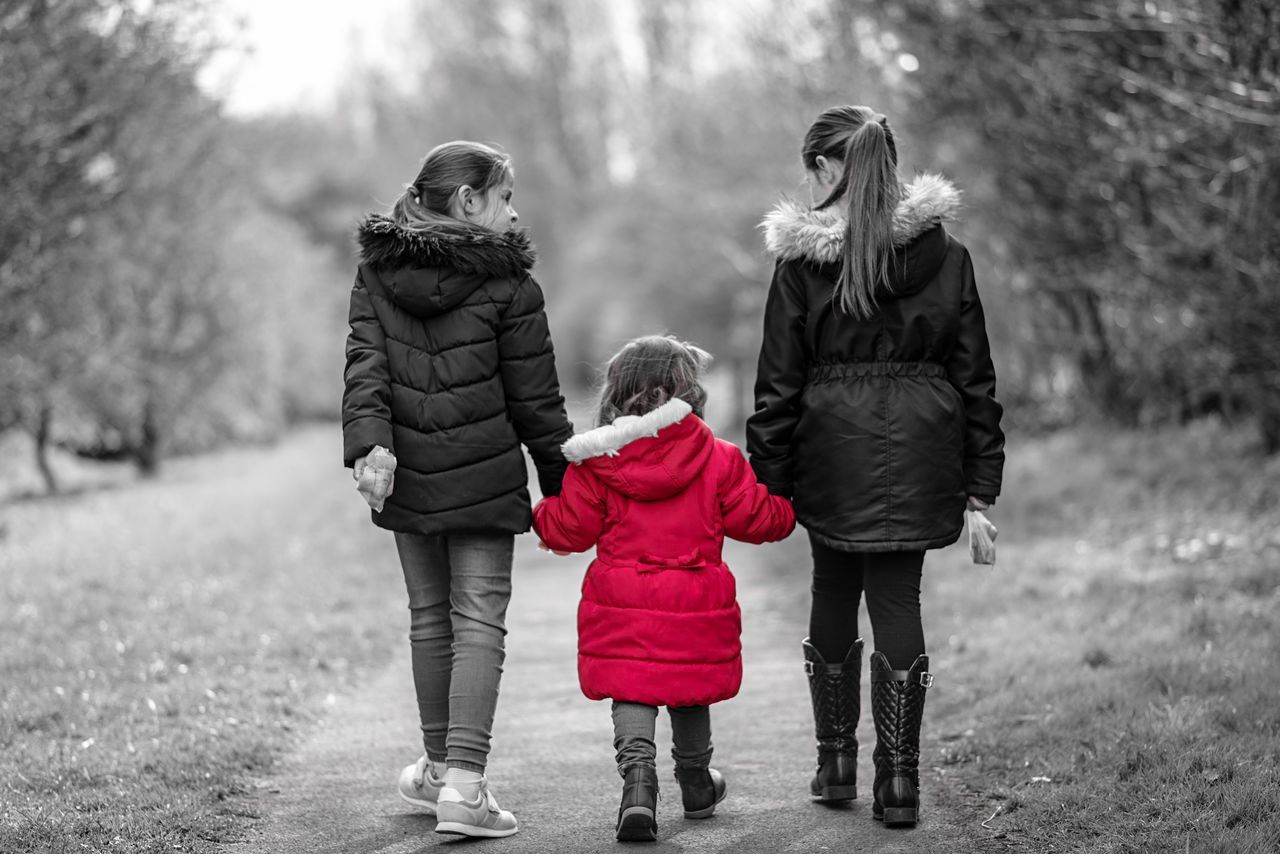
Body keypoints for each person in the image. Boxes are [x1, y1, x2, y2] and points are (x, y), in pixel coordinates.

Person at [748, 105, 1005, 828]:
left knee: (832, 586)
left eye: (814, 172)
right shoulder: (947, 255)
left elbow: (778, 384)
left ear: (829, 169)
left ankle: (836, 766)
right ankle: (899, 784)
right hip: (926, 450)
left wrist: (767, 480)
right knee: (898, 599)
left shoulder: (800, 263)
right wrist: (980, 482)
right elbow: (975, 375)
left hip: (831, 449)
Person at [342, 140, 573, 839]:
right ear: (469, 201)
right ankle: (465, 789)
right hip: (483, 473)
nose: (514, 212)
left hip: (408, 473)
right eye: (506, 197)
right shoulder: (512, 286)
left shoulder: (376, 274)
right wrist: (561, 486)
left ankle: (442, 770)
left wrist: (371, 447)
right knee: (478, 621)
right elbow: (538, 403)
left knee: (430, 617)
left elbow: (365, 371)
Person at [532, 335, 796, 842]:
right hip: (695, 598)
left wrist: (542, 512)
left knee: (633, 686)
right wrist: (790, 503)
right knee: (689, 685)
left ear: (617, 392)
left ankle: (638, 785)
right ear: (688, 391)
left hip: (622, 603)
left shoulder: (598, 463)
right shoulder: (718, 457)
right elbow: (758, 518)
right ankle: (696, 782)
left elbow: (569, 529)